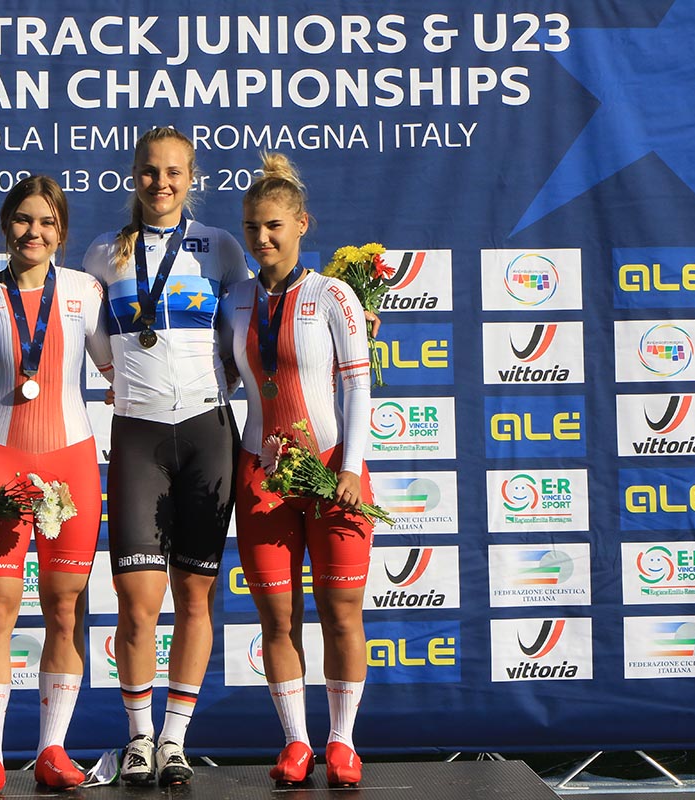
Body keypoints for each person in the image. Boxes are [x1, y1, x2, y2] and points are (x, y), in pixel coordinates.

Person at [81, 126, 249, 786]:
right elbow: (96, 348)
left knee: (195, 595)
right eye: (150, 171)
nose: (162, 183)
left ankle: (176, 739)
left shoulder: (221, 247)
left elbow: (253, 321)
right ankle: (140, 737)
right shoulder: (103, 252)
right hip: (138, 435)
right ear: (134, 175)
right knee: (136, 601)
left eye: (175, 172)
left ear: (192, 176)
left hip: (208, 432)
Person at [0, 175, 113, 798]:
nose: (34, 232)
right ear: (5, 225)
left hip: (71, 466)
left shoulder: (86, 292)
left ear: (61, 232)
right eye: (22, 220)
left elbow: (116, 368)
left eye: (46, 222)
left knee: (64, 612)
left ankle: (51, 753)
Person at [219, 153, 373, 788]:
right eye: (253, 226)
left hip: (334, 470)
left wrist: (351, 469)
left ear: (302, 224)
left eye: (275, 226)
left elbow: (359, 387)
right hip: (262, 475)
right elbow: (221, 380)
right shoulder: (233, 301)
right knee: (277, 620)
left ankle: (342, 741)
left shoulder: (333, 294)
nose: (262, 238)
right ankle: (296, 742)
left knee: (341, 614)